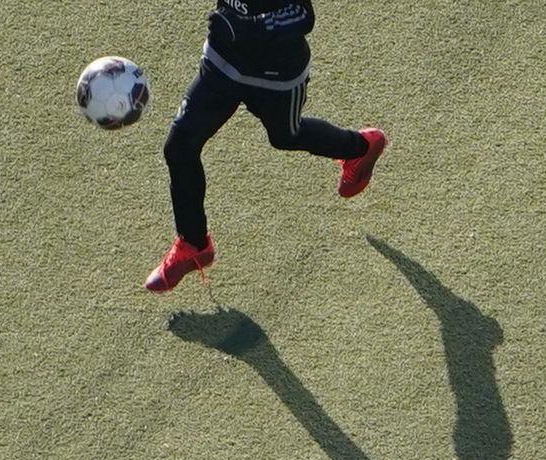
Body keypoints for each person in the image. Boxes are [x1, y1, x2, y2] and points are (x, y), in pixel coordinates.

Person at [145, 0, 386, 294]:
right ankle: (194, 244)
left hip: (277, 74)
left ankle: (361, 148)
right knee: (180, 146)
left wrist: (250, 28)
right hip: (224, 61)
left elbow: (302, 14)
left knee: (286, 136)